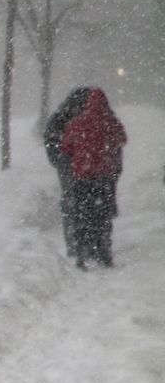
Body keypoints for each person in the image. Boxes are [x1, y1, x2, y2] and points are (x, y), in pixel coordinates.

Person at [56, 87, 127, 269]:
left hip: (82, 177)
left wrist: (79, 156)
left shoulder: (77, 123)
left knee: (82, 215)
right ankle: (104, 253)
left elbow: (66, 147)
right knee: (102, 216)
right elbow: (122, 139)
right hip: (104, 178)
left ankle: (81, 253)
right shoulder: (110, 122)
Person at [42, 87, 88, 257]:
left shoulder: (60, 118)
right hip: (80, 167)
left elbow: (50, 139)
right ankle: (82, 243)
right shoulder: (85, 118)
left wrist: (60, 160)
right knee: (79, 202)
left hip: (71, 166)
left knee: (72, 202)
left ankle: (75, 243)